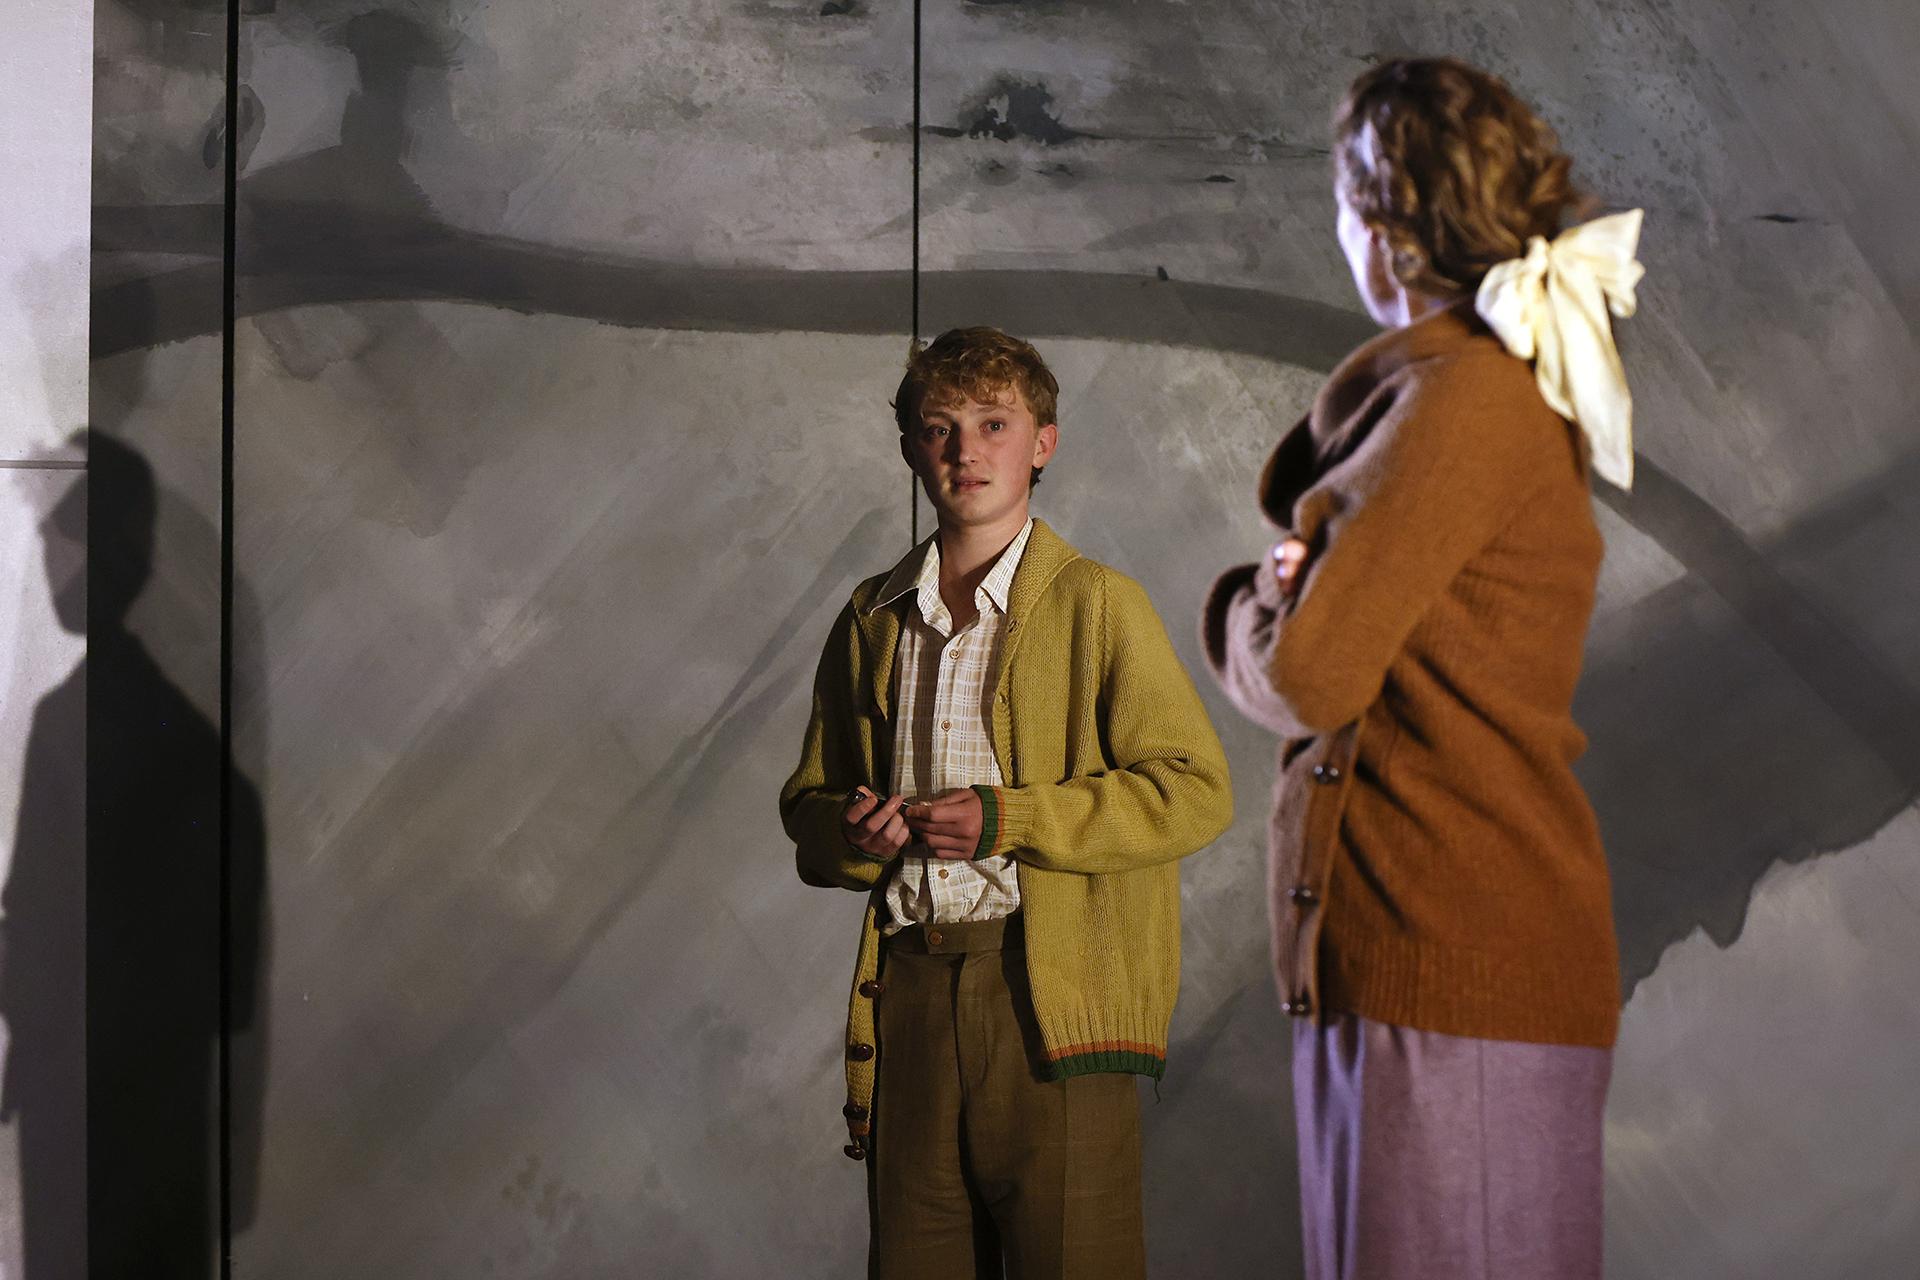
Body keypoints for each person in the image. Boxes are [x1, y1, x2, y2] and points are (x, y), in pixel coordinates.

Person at [1200, 57, 1644, 1279]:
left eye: (1344, 205)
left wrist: (1248, 602)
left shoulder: (1461, 405)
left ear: (1386, 227)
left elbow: (1308, 674)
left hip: (1448, 971)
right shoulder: (1484, 394)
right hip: (1429, 974)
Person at [781, 326, 1233, 1280]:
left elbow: (1194, 791)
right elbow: (810, 811)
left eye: (994, 423)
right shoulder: (871, 618)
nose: (966, 449)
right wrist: (855, 836)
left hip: (1049, 997)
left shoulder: (1099, 603)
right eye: (938, 427)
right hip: (907, 991)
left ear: (1043, 443)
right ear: (910, 448)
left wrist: (1010, 819)